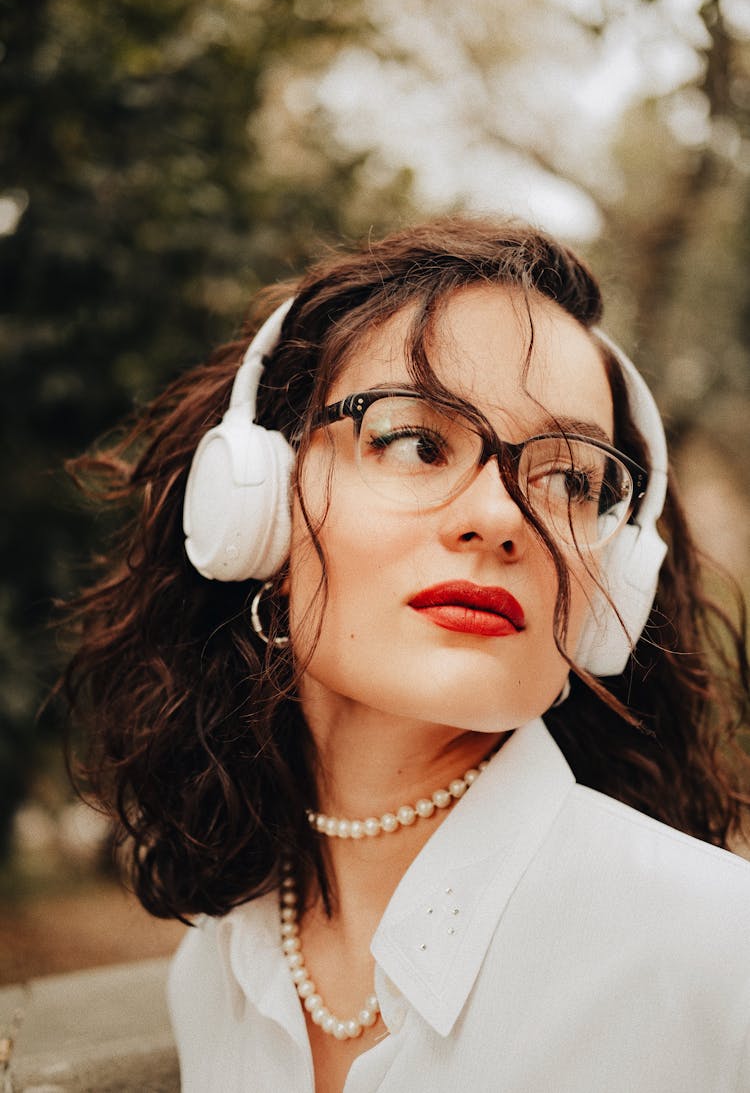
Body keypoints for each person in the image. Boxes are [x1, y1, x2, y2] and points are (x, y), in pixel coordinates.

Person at [63, 217, 750, 1093]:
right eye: (418, 441)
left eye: (572, 478)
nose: (502, 518)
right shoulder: (214, 974)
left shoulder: (722, 962)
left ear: (613, 579)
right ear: (260, 505)